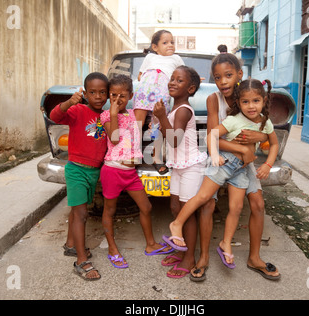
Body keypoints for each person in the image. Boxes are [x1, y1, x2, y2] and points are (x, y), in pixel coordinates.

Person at [168, 54, 281, 281]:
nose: (223, 82)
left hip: (245, 162)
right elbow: (213, 138)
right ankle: (203, 258)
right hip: (221, 156)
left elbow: (267, 136)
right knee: (207, 202)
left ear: (240, 74)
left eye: (228, 75)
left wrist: (258, 139)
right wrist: (243, 149)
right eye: (218, 77)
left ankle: (254, 257)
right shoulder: (213, 99)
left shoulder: (251, 95)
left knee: (257, 202)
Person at [99, 74, 173, 269]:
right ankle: (112, 249)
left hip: (131, 172)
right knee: (110, 210)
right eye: (113, 95)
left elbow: (149, 117)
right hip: (113, 170)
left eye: (122, 95)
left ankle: (150, 245)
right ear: (108, 96)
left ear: (130, 95)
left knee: (146, 207)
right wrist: (114, 114)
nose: (117, 100)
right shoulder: (106, 115)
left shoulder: (133, 115)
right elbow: (114, 139)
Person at [50, 72, 109, 281]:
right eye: (92, 92)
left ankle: (70, 246)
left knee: (77, 210)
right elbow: (55, 116)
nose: (98, 96)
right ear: (85, 93)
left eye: (103, 92)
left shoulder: (106, 117)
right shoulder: (78, 110)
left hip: (94, 172)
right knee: (82, 213)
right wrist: (68, 102)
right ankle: (81, 260)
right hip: (76, 169)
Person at [153, 66, 208, 279]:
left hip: (192, 167)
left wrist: (161, 117)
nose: (173, 82)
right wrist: (159, 118)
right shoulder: (175, 109)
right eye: (172, 78)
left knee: (187, 213)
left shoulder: (184, 109)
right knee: (175, 207)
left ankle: (189, 258)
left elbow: (174, 139)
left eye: (180, 80)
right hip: (178, 166)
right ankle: (180, 249)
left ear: (191, 88)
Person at [133, 29, 185, 175]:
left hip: (162, 92)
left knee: (158, 123)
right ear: (155, 47)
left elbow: (185, 74)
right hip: (144, 89)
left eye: (172, 42)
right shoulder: (150, 57)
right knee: (137, 122)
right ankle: (133, 153)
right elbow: (140, 75)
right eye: (165, 42)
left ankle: (156, 157)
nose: (170, 45)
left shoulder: (176, 58)